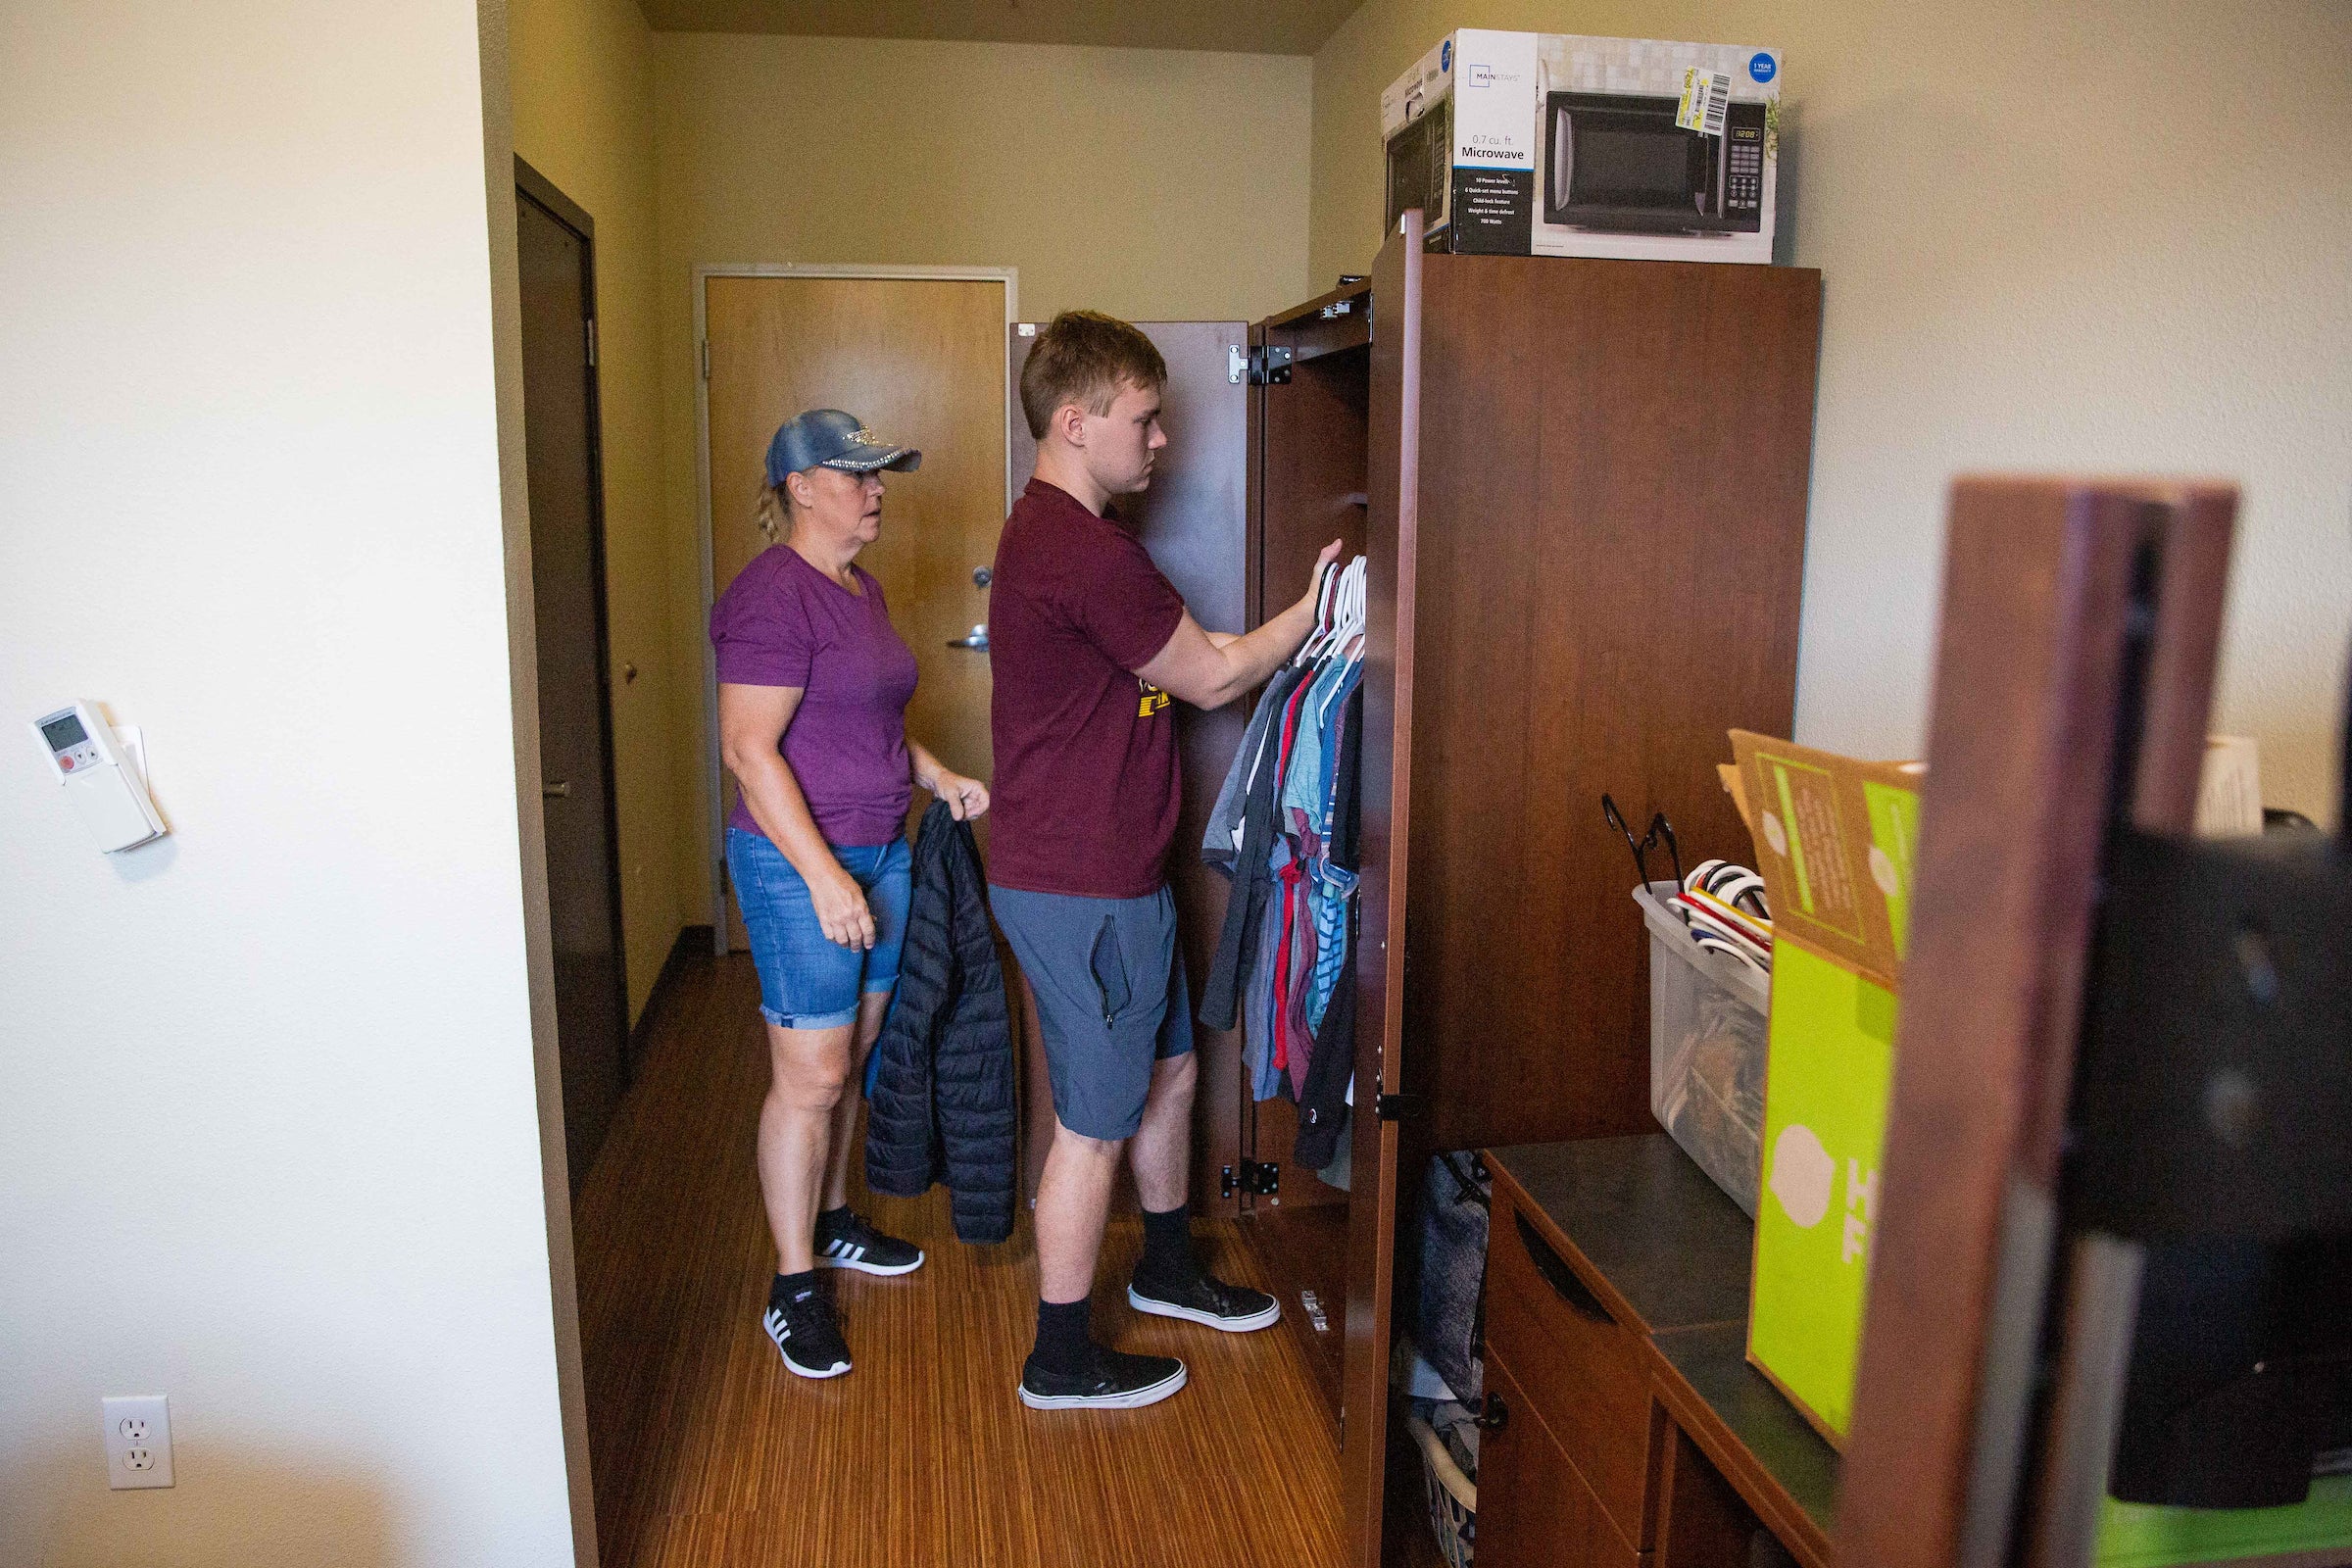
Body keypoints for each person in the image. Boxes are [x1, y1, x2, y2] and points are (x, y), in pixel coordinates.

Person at [989, 312, 1342, 1410]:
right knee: (1093, 1125)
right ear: (1075, 420)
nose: (1161, 444)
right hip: (1079, 886)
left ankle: (1171, 1264)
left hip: (1114, 877)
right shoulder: (1078, 552)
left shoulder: (1063, 534)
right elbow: (1215, 676)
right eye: (1144, 422)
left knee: (1174, 1068)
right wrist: (1318, 610)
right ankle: (1060, 1354)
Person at [711, 407, 991, 1381]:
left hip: (883, 854)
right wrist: (827, 877)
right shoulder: (770, 597)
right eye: (858, 475)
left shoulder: (856, 588)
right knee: (812, 1077)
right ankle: (792, 1288)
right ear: (800, 486)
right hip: (803, 871)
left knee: (856, 1056)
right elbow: (748, 750)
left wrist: (938, 775)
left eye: (882, 476)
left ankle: (831, 1224)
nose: (877, 491)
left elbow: (868, 722)